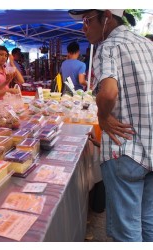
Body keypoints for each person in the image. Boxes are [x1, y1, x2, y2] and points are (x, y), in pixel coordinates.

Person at [69, 9, 153, 242]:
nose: (83, 27)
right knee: (148, 223)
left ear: (106, 17)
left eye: (87, 20)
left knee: (127, 232)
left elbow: (108, 92)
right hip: (150, 146)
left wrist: (103, 117)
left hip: (125, 152)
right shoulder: (147, 44)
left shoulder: (109, 46)